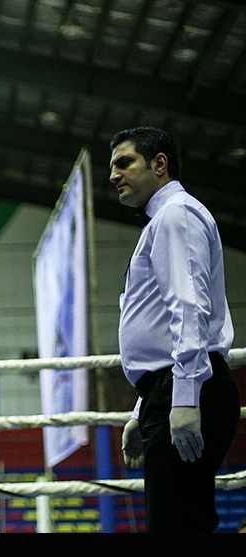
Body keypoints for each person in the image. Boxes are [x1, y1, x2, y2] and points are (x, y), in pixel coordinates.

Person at [111, 126, 241, 533]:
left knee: (175, 526)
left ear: (160, 164)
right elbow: (161, 326)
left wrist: (183, 398)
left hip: (185, 387)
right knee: (184, 521)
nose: (114, 175)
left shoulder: (175, 214)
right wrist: (142, 407)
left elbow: (188, 307)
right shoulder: (163, 221)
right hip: (169, 389)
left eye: (124, 162)